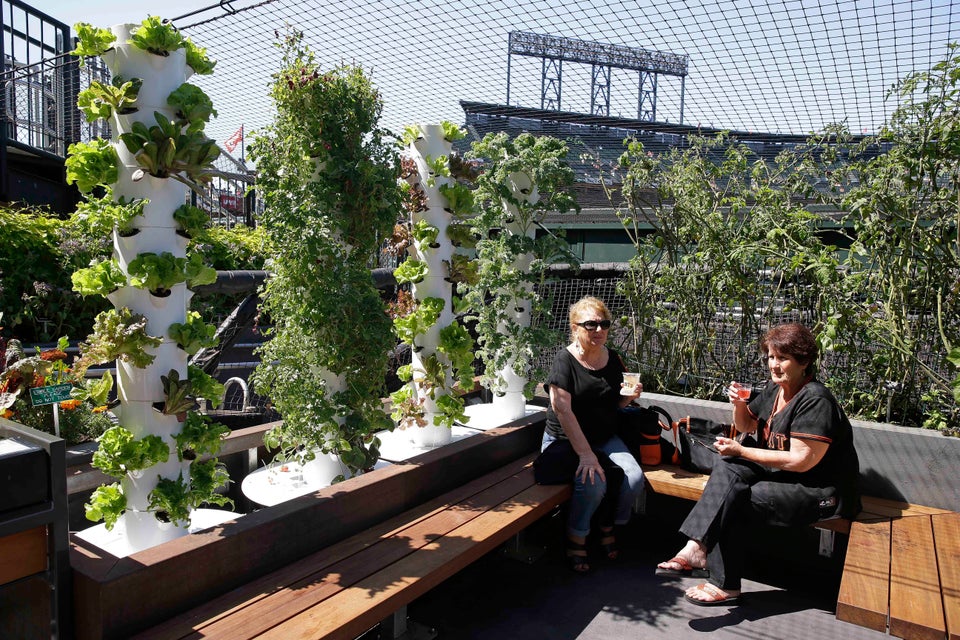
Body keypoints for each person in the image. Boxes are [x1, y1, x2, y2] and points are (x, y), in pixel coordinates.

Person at [655, 322, 860, 605]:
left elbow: (800, 461)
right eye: (771, 357)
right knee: (727, 470)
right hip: (785, 477)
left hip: (821, 491)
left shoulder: (815, 400)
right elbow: (746, 425)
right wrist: (739, 405)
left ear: (805, 361)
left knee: (735, 496)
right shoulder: (776, 390)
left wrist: (742, 452)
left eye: (783, 358)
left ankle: (722, 581)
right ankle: (696, 546)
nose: (774, 365)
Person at [535, 296, 644, 572]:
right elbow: (562, 410)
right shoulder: (564, 361)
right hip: (566, 440)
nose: (599, 330)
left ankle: (608, 523)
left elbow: (613, 404)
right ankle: (576, 535)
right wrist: (585, 455)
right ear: (575, 328)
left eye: (604, 324)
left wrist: (629, 398)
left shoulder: (612, 358)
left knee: (633, 479)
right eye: (591, 325)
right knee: (593, 480)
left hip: (604, 437)